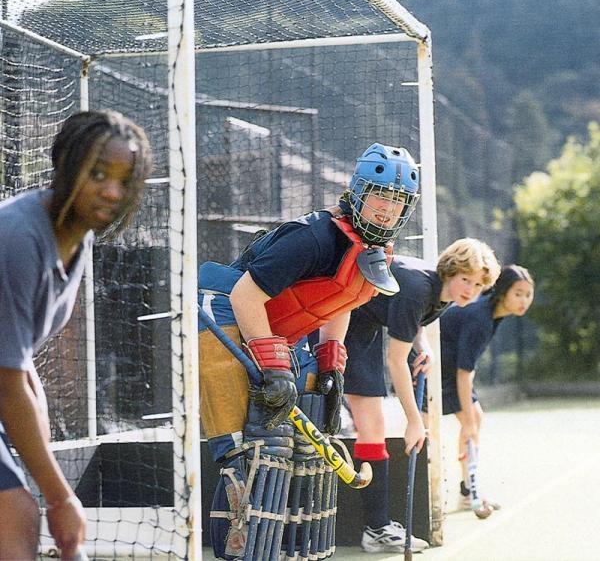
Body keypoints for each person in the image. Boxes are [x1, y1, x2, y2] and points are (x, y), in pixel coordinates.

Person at [198, 143, 420, 560]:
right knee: (247, 455)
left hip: (279, 330)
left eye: (398, 200)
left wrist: (330, 362)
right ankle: (239, 544)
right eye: (380, 196)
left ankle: (295, 551)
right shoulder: (314, 237)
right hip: (223, 309)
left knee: (308, 443)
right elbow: (246, 295)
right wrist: (271, 362)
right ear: (356, 192)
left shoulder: (375, 256)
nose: (387, 210)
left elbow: (343, 304)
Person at [0, 110, 152, 560]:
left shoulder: (78, 237)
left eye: (125, 181)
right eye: (98, 173)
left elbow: (22, 371)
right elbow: (8, 386)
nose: (111, 190)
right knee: (14, 516)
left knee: (18, 514)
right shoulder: (17, 238)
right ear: (66, 166)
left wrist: (50, 493)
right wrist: (61, 498)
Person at [343, 238, 501, 554]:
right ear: (450, 271)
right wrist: (414, 422)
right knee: (369, 423)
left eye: (479, 284)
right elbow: (396, 360)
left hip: (365, 325)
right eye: (466, 279)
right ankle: (376, 529)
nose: (471, 289)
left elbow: (407, 319)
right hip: (343, 321)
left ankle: (377, 528)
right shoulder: (420, 287)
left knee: (370, 424)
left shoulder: (443, 295)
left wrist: (423, 345)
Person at [439, 264, 534, 510]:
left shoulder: (494, 313)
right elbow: (463, 373)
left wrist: (470, 421)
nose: (524, 300)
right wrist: (468, 422)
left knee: (475, 419)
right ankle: (445, 496)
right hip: (434, 372)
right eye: (518, 293)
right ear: (502, 292)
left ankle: (468, 491)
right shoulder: (480, 318)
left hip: (449, 370)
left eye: (528, 294)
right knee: (442, 430)